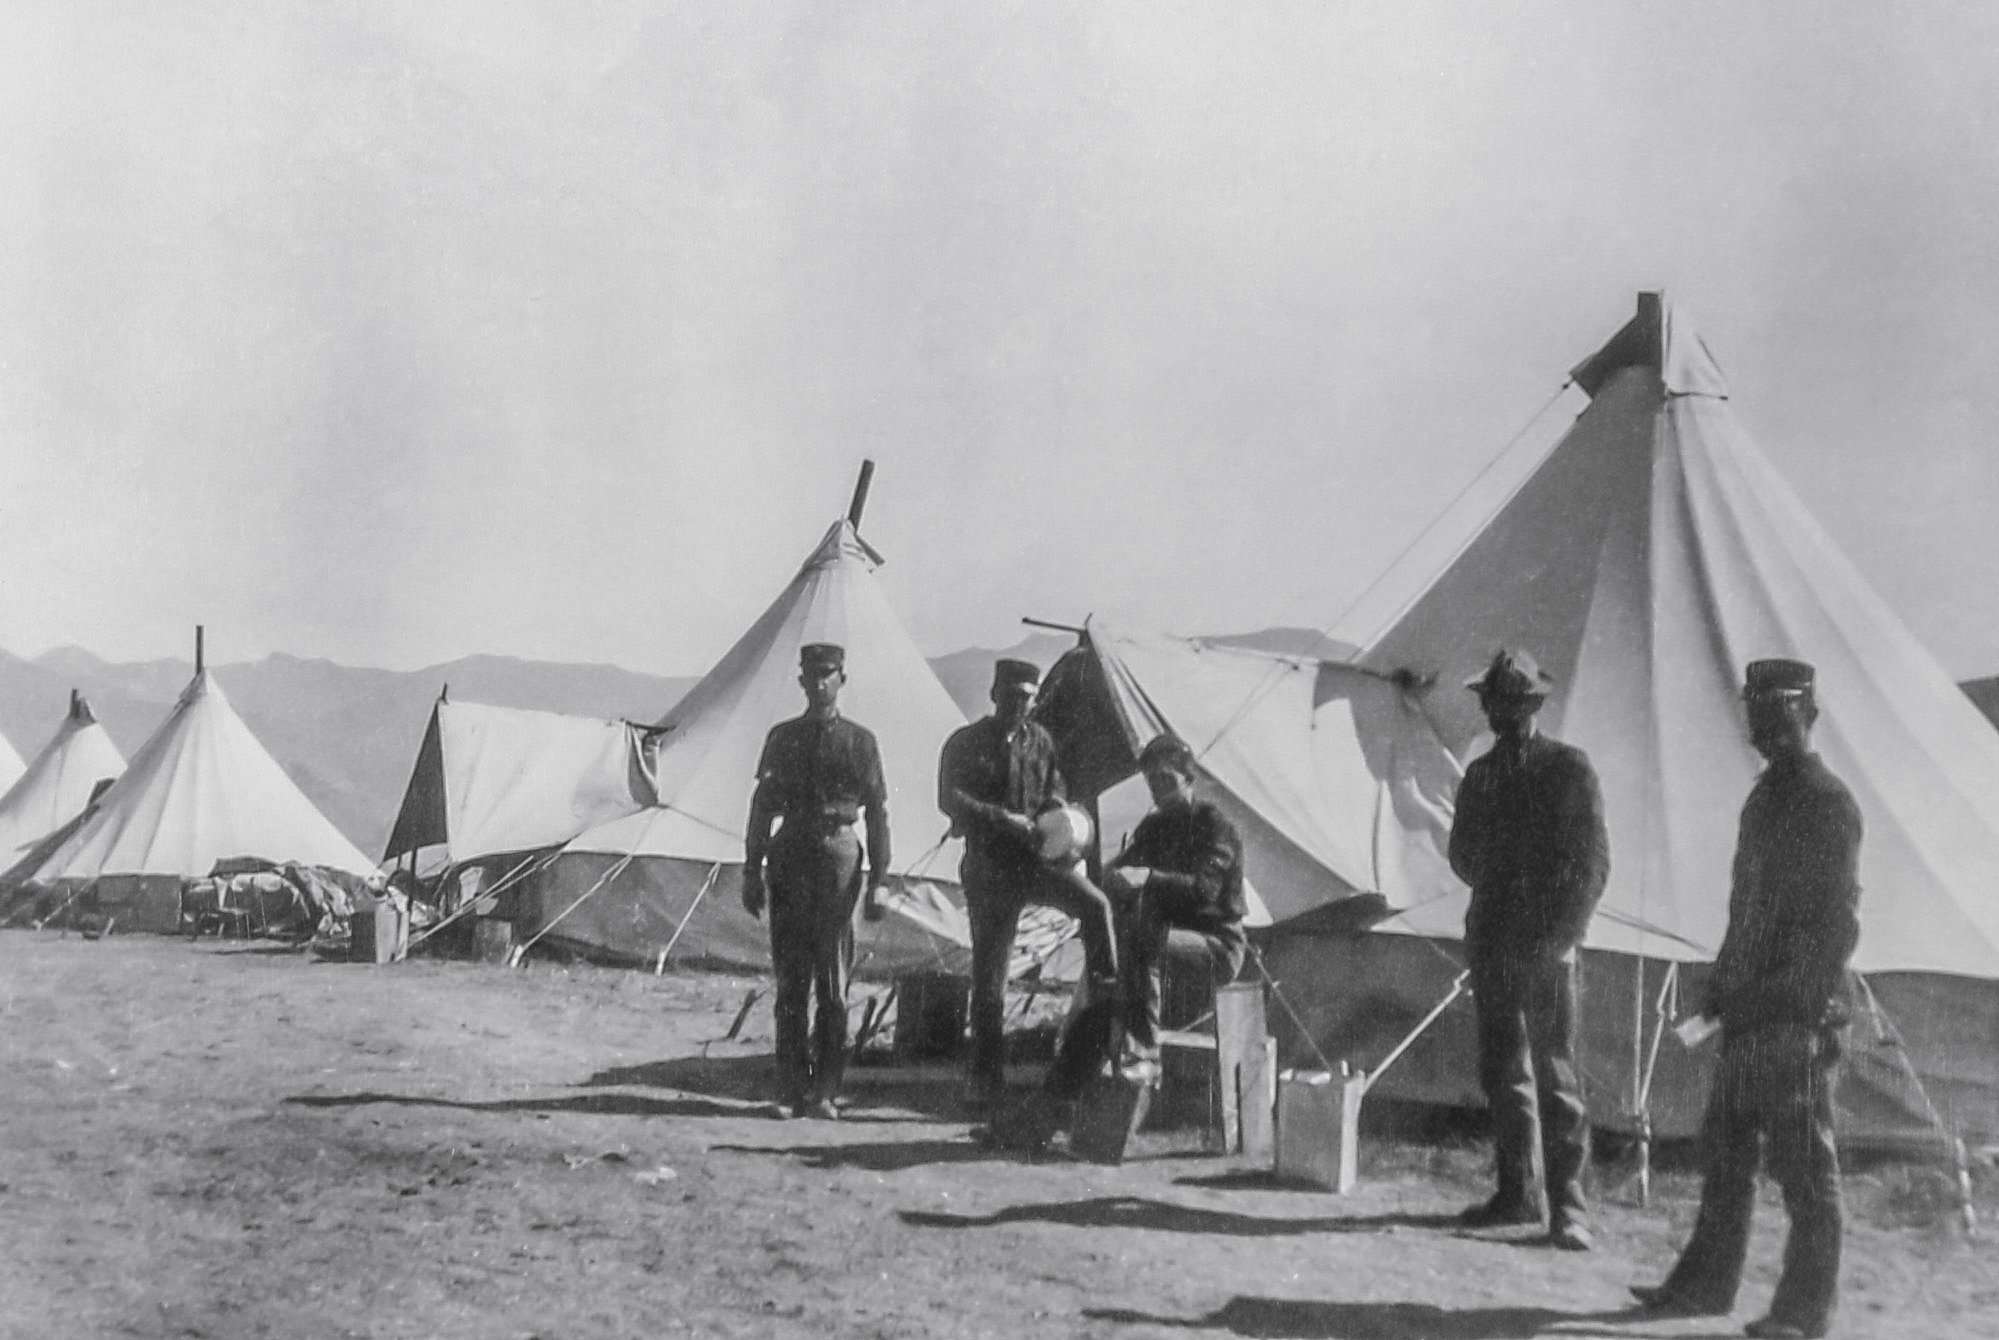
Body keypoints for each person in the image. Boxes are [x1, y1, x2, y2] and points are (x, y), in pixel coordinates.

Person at [1632, 658, 1862, 1340]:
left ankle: (1802, 1313)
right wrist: (1722, 982)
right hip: (1746, 1006)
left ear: (1807, 716)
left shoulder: (1828, 801)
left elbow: (1837, 922)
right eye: (1758, 722)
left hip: (1795, 1015)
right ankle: (1703, 1286)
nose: (1767, 734)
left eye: (1780, 720)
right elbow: (1745, 907)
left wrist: (1797, 1006)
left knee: (1804, 1170)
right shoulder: (1762, 801)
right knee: (1725, 1153)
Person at [1447, 648, 1609, 1252]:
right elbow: (1461, 853)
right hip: (1493, 938)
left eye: (1512, 702)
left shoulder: (1568, 770)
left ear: (1534, 705)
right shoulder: (1480, 776)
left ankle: (1569, 1210)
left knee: (1556, 1075)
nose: (1500, 711)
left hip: (1548, 945)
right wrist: (1498, 876)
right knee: (1503, 1070)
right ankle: (1517, 1194)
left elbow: (1592, 864)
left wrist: (1561, 937)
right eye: (1492, 701)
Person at [938, 658, 1121, 1115]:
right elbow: (950, 798)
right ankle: (985, 1076)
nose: (1019, 704)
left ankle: (1105, 1008)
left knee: (1095, 906)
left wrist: (1060, 814)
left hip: (1036, 862)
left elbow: (1055, 786)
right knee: (991, 976)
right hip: (990, 866)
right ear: (995, 693)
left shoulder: (1041, 742)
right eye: (1012, 695)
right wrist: (1002, 819)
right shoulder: (966, 743)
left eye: (1027, 697)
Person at [741, 642, 891, 1121]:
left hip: (839, 857)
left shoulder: (861, 741)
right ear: (801, 680)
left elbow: (879, 815)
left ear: (842, 679)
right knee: (791, 982)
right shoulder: (782, 738)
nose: (820, 682)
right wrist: (751, 869)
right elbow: (762, 808)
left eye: (829, 674)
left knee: (832, 982)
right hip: (790, 855)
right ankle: (790, 1089)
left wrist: (881, 879)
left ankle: (825, 1090)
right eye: (812, 674)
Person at [1103, 733, 1248, 1085]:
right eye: (1152, 781)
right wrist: (1112, 875)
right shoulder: (1154, 826)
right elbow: (1121, 866)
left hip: (1219, 945)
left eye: (1166, 779)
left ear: (1189, 778)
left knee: (1141, 941)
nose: (1158, 789)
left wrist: (1149, 877)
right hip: (1173, 940)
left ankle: (1146, 1057)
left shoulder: (1215, 826)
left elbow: (1205, 891)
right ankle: (1107, 1052)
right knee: (1115, 942)